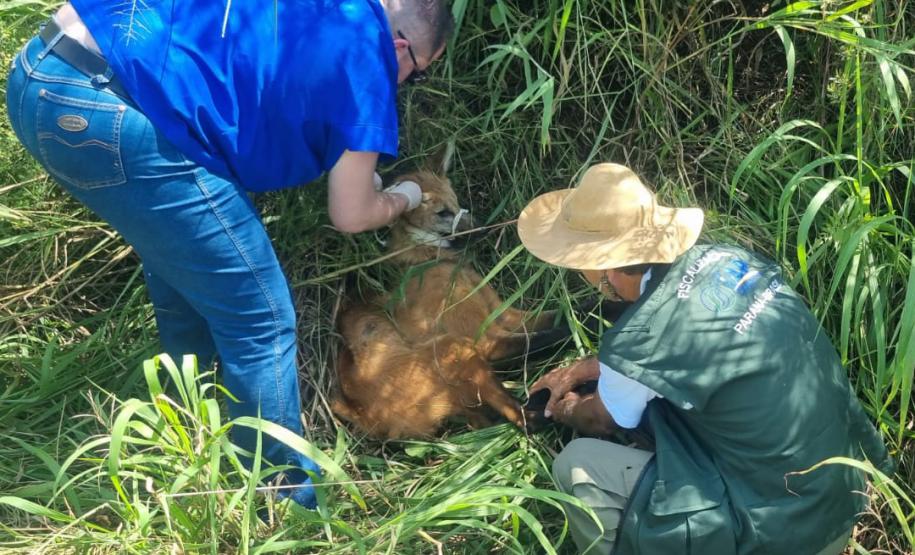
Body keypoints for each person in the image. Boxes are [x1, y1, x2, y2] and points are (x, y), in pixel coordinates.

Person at [5, 0, 454, 508]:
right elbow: (350, 215)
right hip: (112, 108)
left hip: (42, 75)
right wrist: (404, 198)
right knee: (260, 320)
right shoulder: (371, 56)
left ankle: (186, 422)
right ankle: (282, 503)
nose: (401, 88)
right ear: (400, 46)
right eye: (414, 76)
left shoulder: (332, 10)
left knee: (186, 265)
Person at [517, 163, 892, 554]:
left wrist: (564, 408)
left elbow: (604, 419)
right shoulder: (727, 258)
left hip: (783, 535)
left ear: (601, 267)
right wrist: (592, 366)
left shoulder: (641, 337)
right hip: (845, 492)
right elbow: (705, 345)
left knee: (576, 466)